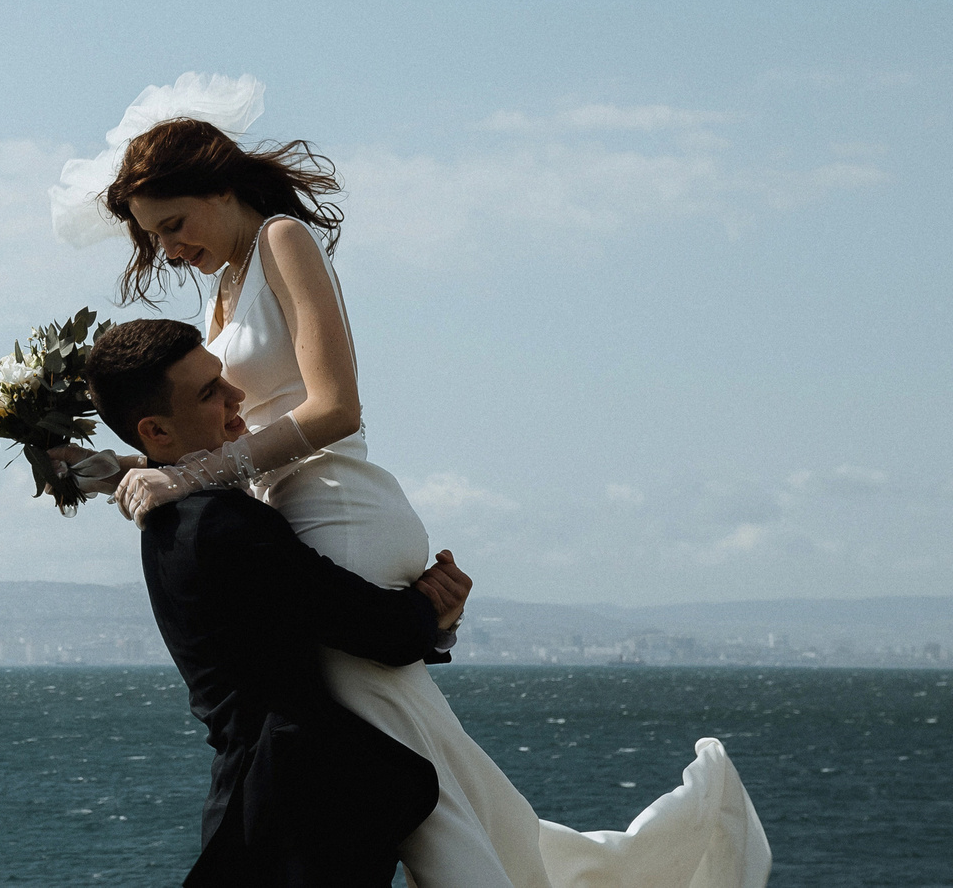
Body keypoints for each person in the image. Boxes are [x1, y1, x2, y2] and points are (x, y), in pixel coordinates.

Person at [49, 73, 771, 888]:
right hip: (290, 509)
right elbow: (211, 424)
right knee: (427, 765)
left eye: (174, 225)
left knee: (401, 771)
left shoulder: (283, 239)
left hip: (337, 504)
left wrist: (191, 478)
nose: (170, 250)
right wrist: (113, 468)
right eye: (156, 238)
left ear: (219, 186)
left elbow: (336, 406)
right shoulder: (224, 285)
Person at [89, 315, 473, 887]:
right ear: (157, 432)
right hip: (299, 818)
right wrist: (436, 605)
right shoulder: (224, 526)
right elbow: (379, 631)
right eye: (210, 392)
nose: (236, 395)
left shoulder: (175, 519)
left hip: (259, 806)